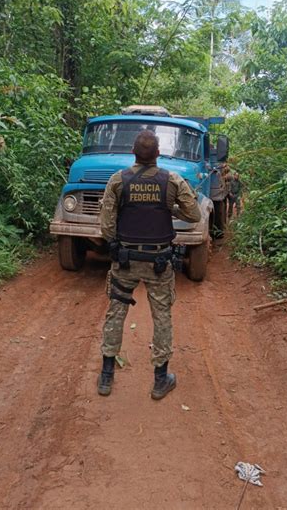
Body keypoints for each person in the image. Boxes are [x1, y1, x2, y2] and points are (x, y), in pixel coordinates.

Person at [97, 130, 201, 400]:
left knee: (116, 313)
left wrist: (116, 243)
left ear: (133, 152)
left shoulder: (118, 180)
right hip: (159, 262)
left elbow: (107, 225)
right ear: (157, 154)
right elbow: (194, 214)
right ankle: (159, 380)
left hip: (126, 261)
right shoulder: (172, 180)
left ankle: (107, 375)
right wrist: (171, 209)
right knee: (162, 317)